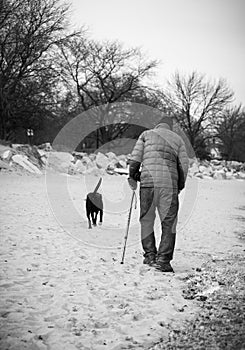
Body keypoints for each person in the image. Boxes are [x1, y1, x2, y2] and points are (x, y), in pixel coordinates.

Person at [128, 116, 189, 272]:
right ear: (171, 127)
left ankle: (149, 256)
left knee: (146, 220)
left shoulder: (146, 135)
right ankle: (163, 260)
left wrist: (133, 175)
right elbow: (183, 166)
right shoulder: (178, 140)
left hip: (148, 184)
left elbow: (135, 159)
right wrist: (180, 185)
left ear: (157, 124)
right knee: (169, 223)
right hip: (169, 186)